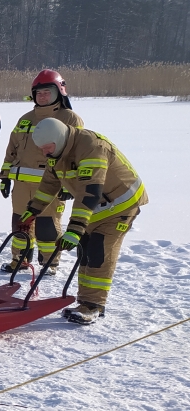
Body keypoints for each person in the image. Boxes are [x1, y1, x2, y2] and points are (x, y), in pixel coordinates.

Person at [19, 118, 147, 324]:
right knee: (85, 251)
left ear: (59, 140)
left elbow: (89, 191)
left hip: (121, 204)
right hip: (96, 207)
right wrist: (33, 210)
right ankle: (84, 302)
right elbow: (49, 184)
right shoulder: (58, 151)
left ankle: (94, 305)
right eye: (42, 149)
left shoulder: (91, 147)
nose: (45, 153)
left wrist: (75, 228)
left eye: (47, 148)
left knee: (99, 251)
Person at [0, 70, 83, 272]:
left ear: (59, 92)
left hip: (51, 186)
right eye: (39, 92)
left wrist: (70, 183)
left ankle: (49, 263)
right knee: (20, 224)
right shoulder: (25, 119)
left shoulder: (70, 118)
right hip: (21, 186)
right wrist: (4, 177)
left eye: (47, 92)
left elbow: (76, 153)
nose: (43, 96)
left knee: (47, 226)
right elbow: (11, 150)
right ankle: (19, 260)